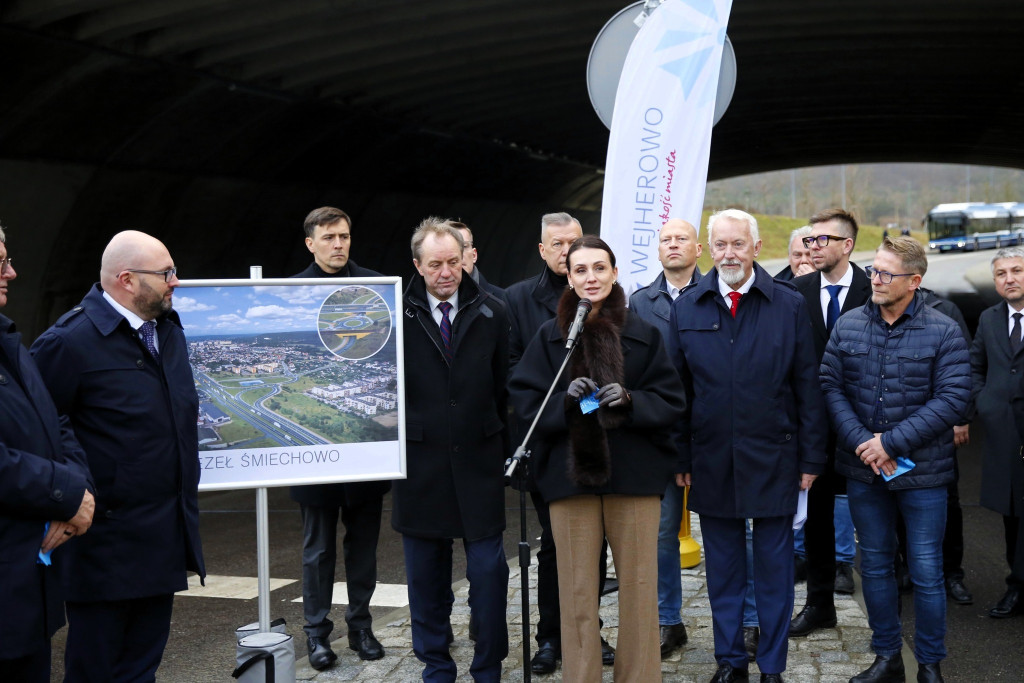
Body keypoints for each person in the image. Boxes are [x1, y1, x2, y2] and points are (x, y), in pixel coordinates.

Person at [30, 230, 206, 682]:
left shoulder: (166, 333)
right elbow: (37, 432)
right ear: (127, 280)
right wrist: (66, 497)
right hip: (103, 549)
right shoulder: (67, 343)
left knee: (142, 668)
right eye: (166, 273)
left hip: (162, 537)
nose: (175, 281)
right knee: (96, 670)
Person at [509, 234, 685, 682]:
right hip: (570, 482)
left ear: (614, 272)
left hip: (635, 478)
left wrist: (632, 400)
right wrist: (565, 403)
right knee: (577, 593)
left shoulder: (645, 334)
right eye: (581, 269)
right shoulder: (549, 339)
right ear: (567, 276)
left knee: (640, 592)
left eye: (599, 268)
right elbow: (524, 404)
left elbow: (671, 401)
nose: (591, 277)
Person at [670, 209, 826, 683]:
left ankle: (772, 667)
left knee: (775, 572)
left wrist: (811, 457)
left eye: (738, 244)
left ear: (757, 248)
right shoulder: (688, 305)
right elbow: (679, 392)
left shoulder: (788, 304)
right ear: (709, 249)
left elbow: (808, 386)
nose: (729, 254)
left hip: (775, 457)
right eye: (720, 245)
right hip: (712, 459)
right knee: (723, 573)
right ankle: (731, 662)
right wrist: (681, 457)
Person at [820, 236, 970, 683]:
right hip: (864, 472)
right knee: (877, 567)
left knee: (926, 572)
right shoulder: (848, 326)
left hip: (925, 476)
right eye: (874, 270)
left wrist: (891, 444)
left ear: (915, 281)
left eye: (886, 273)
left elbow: (953, 398)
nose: (876, 279)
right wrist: (865, 443)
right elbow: (831, 386)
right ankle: (887, 658)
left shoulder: (943, 330)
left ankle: (928, 665)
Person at [393, 218, 510, 682]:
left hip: (479, 464)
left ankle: (487, 669)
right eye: (436, 264)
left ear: (466, 259)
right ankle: (436, 668)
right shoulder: (395, 314)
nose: (447, 272)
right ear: (418, 266)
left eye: (454, 262)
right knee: (426, 583)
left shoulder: (493, 312)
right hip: (420, 469)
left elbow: (504, 386)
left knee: (488, 576)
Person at [504, 213, 615, 674]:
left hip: (601, 444)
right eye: (558, 245)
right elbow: (513, 369)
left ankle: (591, 632)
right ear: (543, 250)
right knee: (554, 547)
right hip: (550, 446)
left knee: (595, 548)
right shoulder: (518, 300)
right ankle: (551, 636)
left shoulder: (606, 302)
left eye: (575, 243)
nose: (568, 252)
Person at [288, 206, 390, 668]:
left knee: (363, 547)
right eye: (328, 237)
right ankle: (316, 635)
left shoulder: (376, 289)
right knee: (318, 549)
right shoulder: (294, 291)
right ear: (310, 243)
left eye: (344, 236)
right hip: (316, 462)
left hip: (367, 454)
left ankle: (361, 628)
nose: (338, 244)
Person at [0, 227, 94, 682]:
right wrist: (67, 491)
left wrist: (78, 493)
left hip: (23, 595)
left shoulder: (9, 342)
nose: (13, 273)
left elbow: (55, 422)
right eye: (0, 264)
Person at [788, 208, 872, 637]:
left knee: (876, 522)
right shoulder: (793, 291)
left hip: (867, 428)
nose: (811, 246)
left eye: (822, 240)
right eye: (810, 240)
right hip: (813, 431)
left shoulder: (874, 289)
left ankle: (887, 620)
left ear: (847, 245)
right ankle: (819, 606)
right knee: (818, 523)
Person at [628, 217, 702, 658]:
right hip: (662, 440)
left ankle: (744, 623)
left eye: (682, 239)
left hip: (712, 434)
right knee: (660, 535)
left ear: (699, 249)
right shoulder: (640, 302)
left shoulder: (717, 295)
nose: (673, 245)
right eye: (665, 240)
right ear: (657, 252)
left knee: (735, 533)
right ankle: (668, 622)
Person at [969, 246, 1024, 619]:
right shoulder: (989, 319)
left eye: (1017, 271)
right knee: (1011, 512)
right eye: (1001, 274)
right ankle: (1017, 587)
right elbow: (975, 364)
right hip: (1004, 432)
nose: (1009, 279)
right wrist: (982, 401)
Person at [451, 221, 505, 298]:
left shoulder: (502, 299)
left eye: (464, 246)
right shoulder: (429, 299)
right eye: (451, 248)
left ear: (474, 255)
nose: (458, 254)